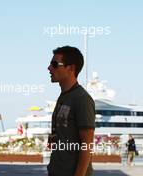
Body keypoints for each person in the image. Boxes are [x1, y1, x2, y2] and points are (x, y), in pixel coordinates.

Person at [47, 46, 95, 176]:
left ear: (71, 68)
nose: (49, 68)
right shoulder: (63, 97)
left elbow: (87, 143)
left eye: (54, 64)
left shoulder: (82, 99)